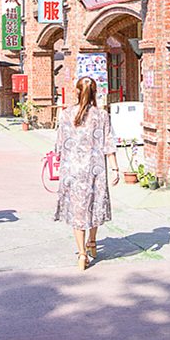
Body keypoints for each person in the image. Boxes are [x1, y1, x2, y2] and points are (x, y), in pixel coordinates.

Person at [54, 76, 119, 270]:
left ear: (76, 92)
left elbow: (59, 145)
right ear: (95, 93)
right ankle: (92, 240)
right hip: (95, 169)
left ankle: (82, 254)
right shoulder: (102, 115)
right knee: (94, 204)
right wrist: (115, 168)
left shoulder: (65, 114)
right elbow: (109, 143)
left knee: (78, 211)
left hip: (72, 170)